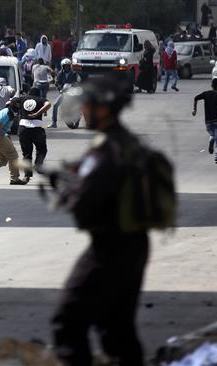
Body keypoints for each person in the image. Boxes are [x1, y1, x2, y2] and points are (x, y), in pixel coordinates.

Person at [51, 76, 154, 366]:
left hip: (110, 249)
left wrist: (70, 188)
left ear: (104, 110)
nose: (82, 111)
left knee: (67, 320)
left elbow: (84, 211)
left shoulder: (106, 153)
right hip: (133, 245)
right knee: (117, 328)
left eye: (88, 106)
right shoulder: (125, 143)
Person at [12, 87, 50, 182]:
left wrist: (17, 109)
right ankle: (38, 165)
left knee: (27, 154)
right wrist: (37, 113)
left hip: (23, 128)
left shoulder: (22, 98)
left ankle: (27, 176)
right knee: (42, 149)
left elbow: (9, 102)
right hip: (37, 129)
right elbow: (48, 104)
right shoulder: (41, 99)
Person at [193, 78, 217, 165]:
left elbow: (196, 98)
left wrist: (195, 110)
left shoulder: (205, 94)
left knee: (212, 134)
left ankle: (211, 139)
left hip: (208, 121)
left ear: (211, 85)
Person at [50, 58, 80, 128]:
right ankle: (54, 122)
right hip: (64, 92)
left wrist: (74, 85)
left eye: (68, 65)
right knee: (55, 105)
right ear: (62, 66)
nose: (66, 67)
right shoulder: (60, 74)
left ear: (70, 66)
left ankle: (78, 120)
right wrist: (60, 89)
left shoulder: (74, 73)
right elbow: (57, 83)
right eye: (65, 66)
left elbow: (78, 81)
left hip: (72, 92)